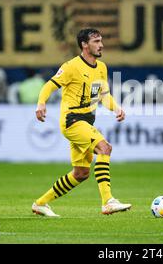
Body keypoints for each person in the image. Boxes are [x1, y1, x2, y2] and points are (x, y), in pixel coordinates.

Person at [32, 28, 131, 217]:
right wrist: (41, 103)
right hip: (72, 120)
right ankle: (108, 201)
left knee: (81, 173)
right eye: (96, 41)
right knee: (105, 148)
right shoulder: (71, 66)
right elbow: (50, 85)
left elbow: (103, 95)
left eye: (101, 41)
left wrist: (116, 108)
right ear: (84, 45)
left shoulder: (101, 67)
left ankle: (40, 203)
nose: (101, 45)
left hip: (87, 121)